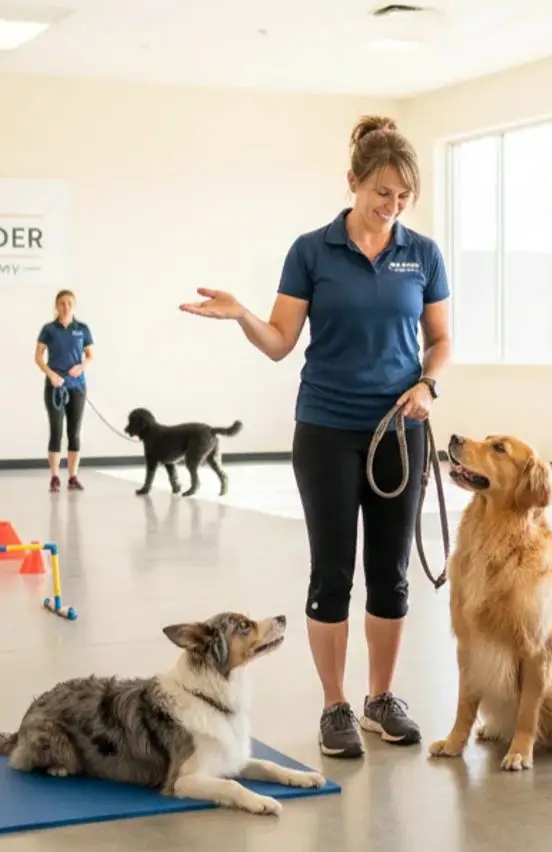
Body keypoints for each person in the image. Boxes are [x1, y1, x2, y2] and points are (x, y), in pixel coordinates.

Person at [180, 115, 452, 759]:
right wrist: (244, 313)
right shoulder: (311, 250)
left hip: (399, 432)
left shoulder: (424, 253)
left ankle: (380, 697)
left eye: (404, 196)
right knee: (332, 573)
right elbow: (280, 343)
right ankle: (334, 705)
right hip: (327, 430)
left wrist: (428, 385)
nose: (392, 206)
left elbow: (439, 341)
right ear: (354, 182)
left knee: (390, 576)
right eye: (382, 192)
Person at [35, 289, 94, 492]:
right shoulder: (49, 329)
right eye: (62, 303)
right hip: (55, 387)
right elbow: (38, 357)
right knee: (56, 431)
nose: (65, 306)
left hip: (77, 386)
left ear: (74, 305)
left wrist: (81, 367)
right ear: (56, 306)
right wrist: (51, 374)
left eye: (69, 303)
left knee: (74, 432)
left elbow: (90, 356)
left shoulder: (82, 329)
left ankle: (73, 477)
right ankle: (54, 477)